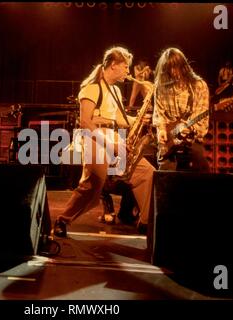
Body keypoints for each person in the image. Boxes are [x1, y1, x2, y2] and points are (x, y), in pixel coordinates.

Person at [53, 46, 155, 237]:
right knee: (93, 185)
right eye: (125, 66)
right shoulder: (91, 89)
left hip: (114, 138)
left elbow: (120, 119)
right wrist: (110, 145)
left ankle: (146, 222)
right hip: (95, 138)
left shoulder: (116, 91)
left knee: (146, 173)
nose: (128, 71)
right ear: (113, 65)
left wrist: (139, 119)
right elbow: (85, 122)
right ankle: (62, 220)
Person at [152, 47, 210, 172]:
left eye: (176, 67)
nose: (173, 72)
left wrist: (189, 128)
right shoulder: (160, 86)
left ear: (183, 66)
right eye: (169, 69)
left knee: (200, 174)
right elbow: (159, 114)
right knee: (164, 179)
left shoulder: (199, 86)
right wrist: (161, 130)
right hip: (168, 143)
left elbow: (202, 121)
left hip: (191, 142)